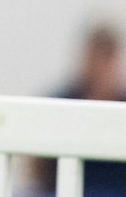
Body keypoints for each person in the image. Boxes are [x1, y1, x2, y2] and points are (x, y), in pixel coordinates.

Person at [31, 23, 126, 196]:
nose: (99, 66)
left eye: (107, 56)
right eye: (95, 54)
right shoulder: (60, 102)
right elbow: (35, 160)